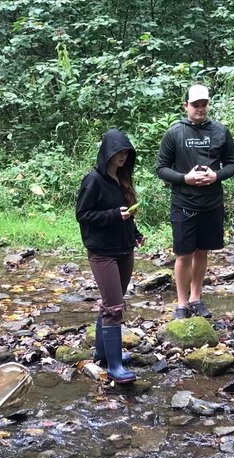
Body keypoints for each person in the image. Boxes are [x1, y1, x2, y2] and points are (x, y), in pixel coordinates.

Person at [156, 84, 234, 320]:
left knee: (202, 251)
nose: (200, 109)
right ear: (186, 106)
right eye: (195, 105)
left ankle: (196, 298)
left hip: (212, 203)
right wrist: (186, 178)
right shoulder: (174, 133)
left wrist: (216, 175)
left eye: (204, 104)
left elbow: (233, 164)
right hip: (184, 202)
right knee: (183, 254)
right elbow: (161, 169)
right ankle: (181, 304)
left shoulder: (220, 131)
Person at [76, 128, 144, 384]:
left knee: (110, 302)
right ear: (107, 152)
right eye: (118, 151)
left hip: (124, 249)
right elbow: (83, 215)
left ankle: (103, 354)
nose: (123, 156)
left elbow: (126, 213)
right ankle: (115, 366)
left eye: (126, 152)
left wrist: (135, 232)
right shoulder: (92, 180)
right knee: (114, 306)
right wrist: (114, 215)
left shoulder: (123, 179)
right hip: (102, 252)